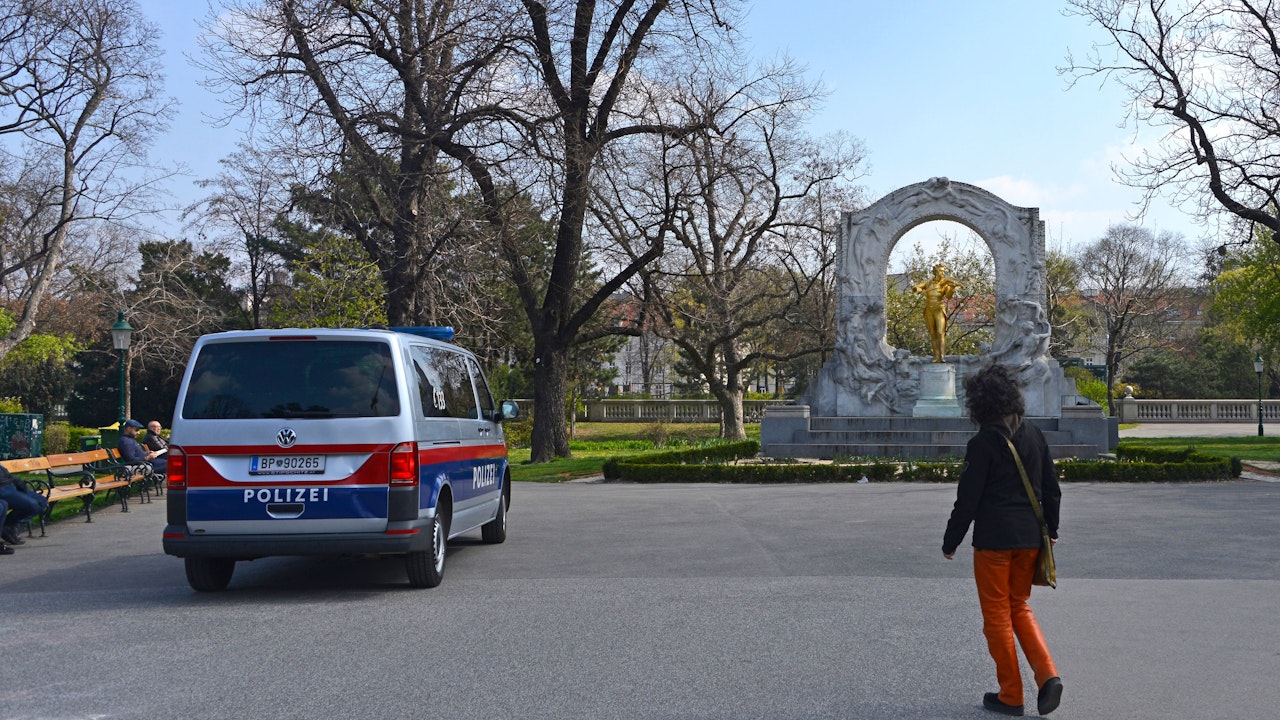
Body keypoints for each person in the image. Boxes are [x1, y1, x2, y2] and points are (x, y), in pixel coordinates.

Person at [942, 364, 1063, 716]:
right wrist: (1051, 531)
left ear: (980, 405)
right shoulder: (1035, 435)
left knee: (996, 615)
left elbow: (968, 500)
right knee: (1019, 606)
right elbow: (1051, 490)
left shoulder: (982, 444)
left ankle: (1011, 694)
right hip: (1029, 539)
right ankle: (1048, 675)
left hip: (994, 542)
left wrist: (951, 541)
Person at [911, 263, 963, 363]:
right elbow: (918, 287)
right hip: (929, 310)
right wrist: (917, 289)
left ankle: (942, 357)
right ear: (935, 272)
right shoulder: (928, 283)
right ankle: (936, 357)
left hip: (939, 309)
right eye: (941, 271)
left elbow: (948, 296)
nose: (943, 273)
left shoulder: (945, 284)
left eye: (944, 271)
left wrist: (952, 288)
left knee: (940, 333)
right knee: (933, 334)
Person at [1, 463, 48, 550]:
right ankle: (8, 528)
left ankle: (8, 525)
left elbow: (5, 473)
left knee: (41, 501)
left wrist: (16, 481)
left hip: (11, 485)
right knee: (32, 505)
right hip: (3, 489)